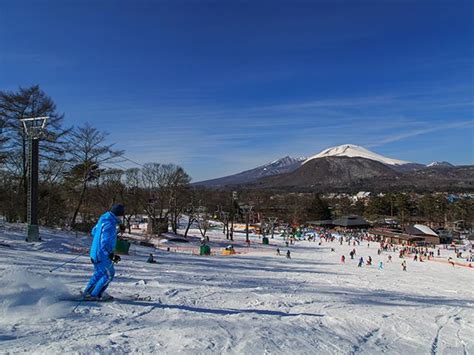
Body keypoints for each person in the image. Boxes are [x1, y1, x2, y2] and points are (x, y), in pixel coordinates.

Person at [83, 204, 125, 300]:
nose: (122, 218)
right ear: (118, 214)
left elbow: (94, 232)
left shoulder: (103, 219)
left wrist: (117, 231)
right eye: (121, 215)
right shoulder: (110, 225)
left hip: (95, 252)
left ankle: (88, 292)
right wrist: (110, 255)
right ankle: (95, 295)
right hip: (102, 254)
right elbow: (104, 242)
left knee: (99, 273)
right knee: (109, 274)